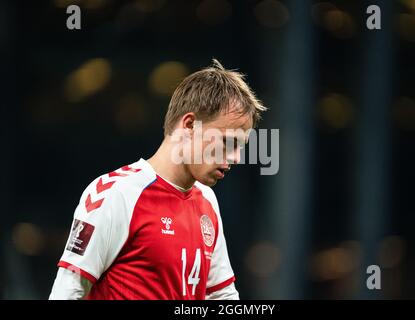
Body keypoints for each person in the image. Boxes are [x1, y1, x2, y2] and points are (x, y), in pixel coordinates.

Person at [49, 59, 266, 300]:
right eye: (227, 142)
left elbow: (221, 295)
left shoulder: (207, 201)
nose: (236, 158)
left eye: (240, 147)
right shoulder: (115, 193)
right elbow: (69, 289)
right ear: (190, 125)